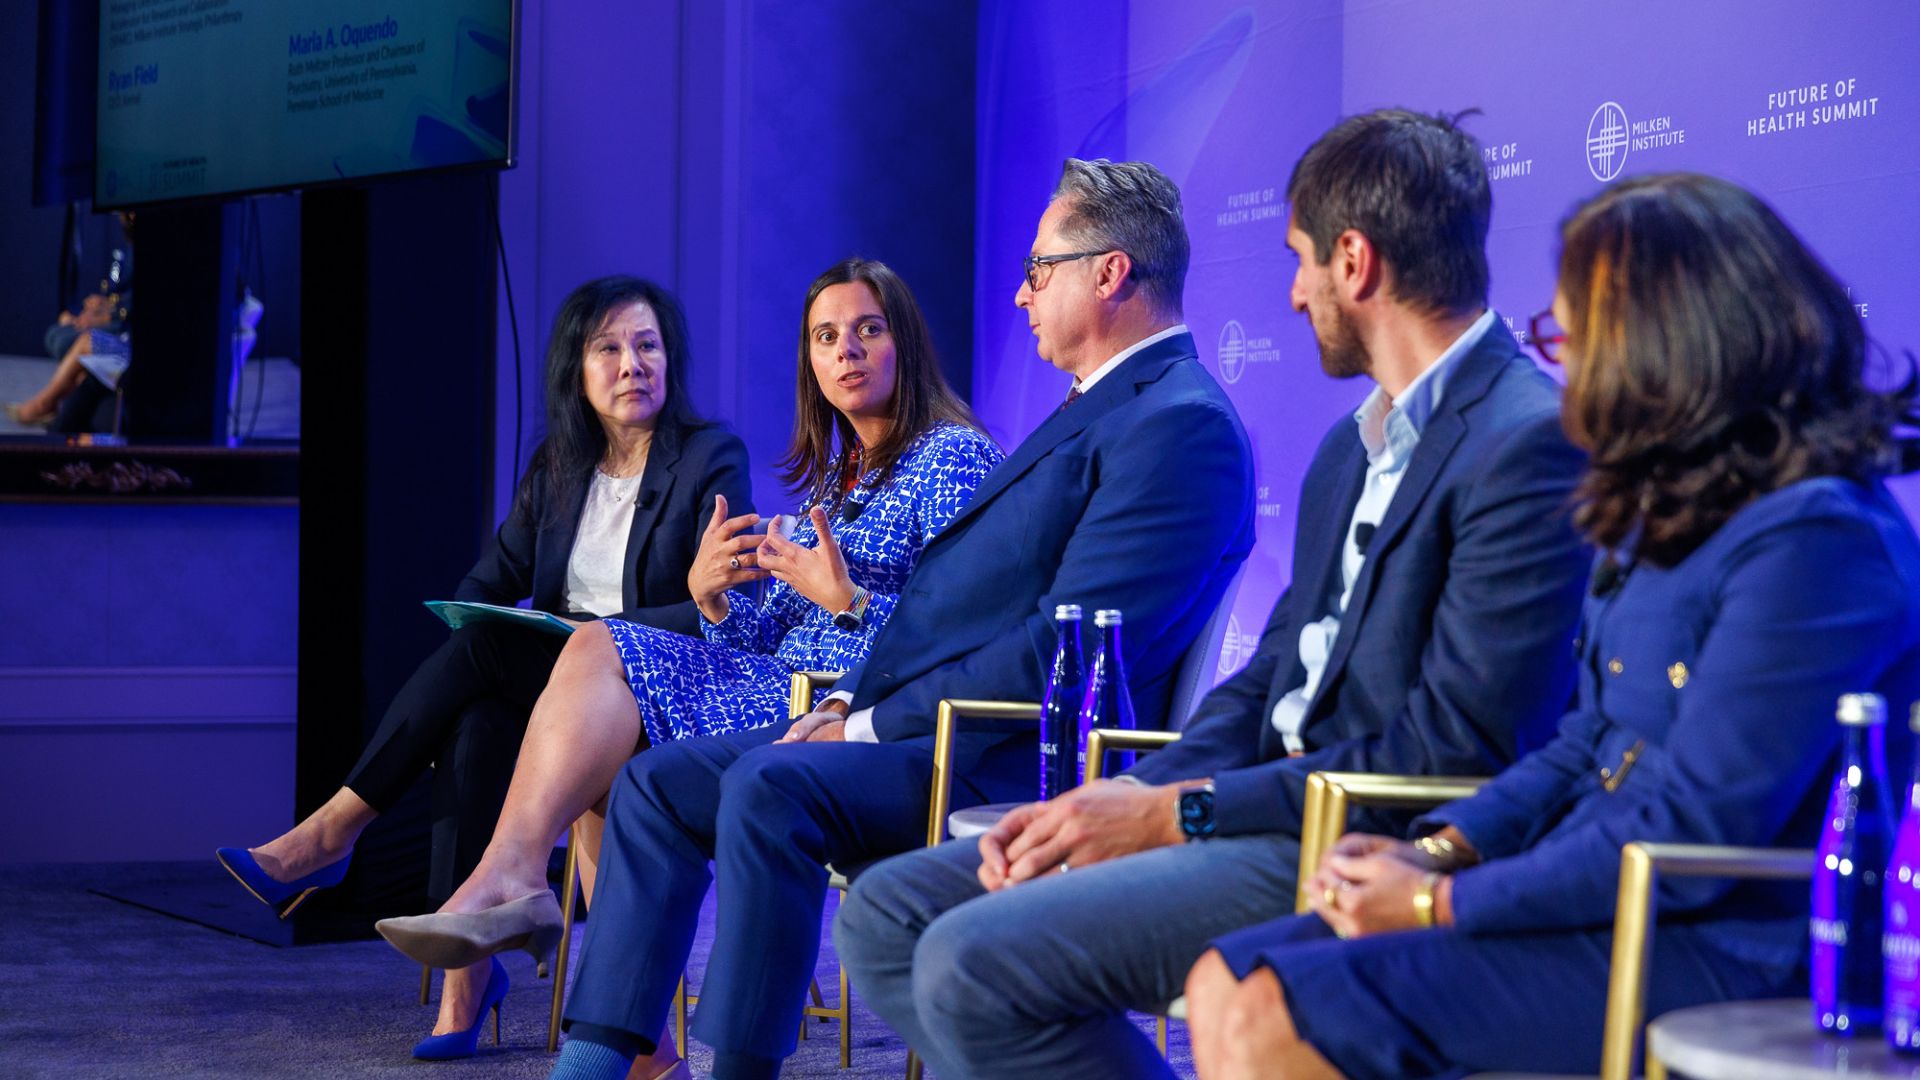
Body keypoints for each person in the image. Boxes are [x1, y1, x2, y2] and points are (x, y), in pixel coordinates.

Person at [832, 108, 1592, 1079]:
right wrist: (1138, 786)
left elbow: (1456, 746)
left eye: (1301, 260)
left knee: (968, 956)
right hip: (1250, 805)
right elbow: (1272, 674)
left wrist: (1183, 811)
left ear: (1354, 262)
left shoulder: (1523, 443)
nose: (1292, 293)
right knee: (894, 914)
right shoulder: (1345, 449)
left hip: (1355, 839)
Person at [490, 157, 1253, 1080]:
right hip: (908, 715)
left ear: (1111, 271)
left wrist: (864, 716)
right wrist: (850, 694)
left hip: (991, 750)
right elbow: (962, 612)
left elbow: (1064, 649)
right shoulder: (1092, 411)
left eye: (1039, 270)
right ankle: (594, 1061)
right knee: (654, 787)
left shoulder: (1177, 424)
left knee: (770, 788)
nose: (1020, 294)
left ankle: (739, 1070)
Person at [1183, 172, 1920, 1080]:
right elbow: (1584, 745)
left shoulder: (1817, 540)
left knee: (1266, 1011)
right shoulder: (1671, 513)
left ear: (1663, 343)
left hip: (1721, 946)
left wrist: (1438, 906)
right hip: (1593, 896)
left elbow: (1689, 829)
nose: (1561, 365)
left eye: (1571, 335)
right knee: (1226, 976)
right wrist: (1441, 850)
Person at [377, 257, 1003, 1067]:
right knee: (593, 675)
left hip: (839, 712)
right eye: (826, 336)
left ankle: (533, 910)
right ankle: (556, 937)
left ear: (905, 344)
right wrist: (711, 598)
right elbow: (759, 634)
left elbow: (962, 632)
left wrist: (847, 603)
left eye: (868, 330)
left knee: (598, 677)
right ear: (810, 363)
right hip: (772, 682)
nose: (847, 350)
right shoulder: (843, 478)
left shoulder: (953, 460)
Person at [216, 275, 753, 1053]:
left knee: (492, 661)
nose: (632, 363)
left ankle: (336, 836)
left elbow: (715, 607)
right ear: (577, 369)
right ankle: (467, 977)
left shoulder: (709, 456)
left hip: (656, 690)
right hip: (560, 694)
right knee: (476, 719)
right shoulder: (559, 470)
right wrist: (507, 623)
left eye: (647, 346)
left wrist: (572, 632)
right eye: (609, 347)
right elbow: (483, 586)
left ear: (670, 362)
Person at [8, 212, 135, 432]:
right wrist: (102, 303)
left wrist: (110, 312)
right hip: (120, 333)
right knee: (61, 328)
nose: (121, 216)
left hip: (126, 341)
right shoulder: (124, 250)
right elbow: (116, 286)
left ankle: (45, 403)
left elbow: (131, 303)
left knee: (83, 342)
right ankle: (53, 400)